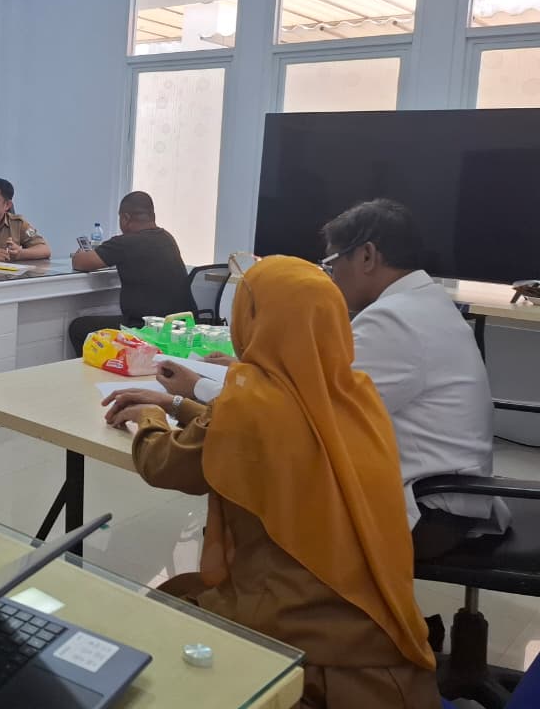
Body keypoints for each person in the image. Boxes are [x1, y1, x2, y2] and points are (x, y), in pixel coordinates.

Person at [104, 256, 439, 708]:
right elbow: (265, 432)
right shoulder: (354, 392)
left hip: (300, 645)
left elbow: (163, 464)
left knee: (142, 635)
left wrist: (149, 416)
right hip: (378, 627)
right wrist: (178, 404)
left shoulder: (250, 406)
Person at [158, 199, 508, 560]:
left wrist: (195, 388)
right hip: (440, 492)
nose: (330, 276)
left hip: (426, 511)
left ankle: (255, 590)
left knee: (251, 497)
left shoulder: (395, 320)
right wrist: (244, 372)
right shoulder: (422, 304)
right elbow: (320, 385)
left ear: (367, 256)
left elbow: (305, 413)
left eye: (332, 263)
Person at [67, 191, 194, 355]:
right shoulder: (167, 238)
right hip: (179, 326)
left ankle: (95, 370)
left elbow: (81, 263)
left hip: (144, 327)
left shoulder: (125, 242)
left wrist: (79, 255)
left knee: (79, 327)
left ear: (125, 218)